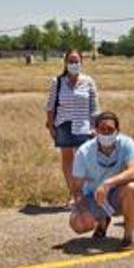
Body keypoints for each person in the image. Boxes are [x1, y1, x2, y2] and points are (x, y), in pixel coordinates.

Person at [69, 111, 134, 251]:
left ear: (118, 131)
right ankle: (101, 221)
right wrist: (82, 207)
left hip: (116, 195)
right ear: (95, 131)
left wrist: (108, 184)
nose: (106, 133)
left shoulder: (127, 143)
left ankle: (128, 237)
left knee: (132, 189)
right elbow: (76, 188)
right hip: (93, 197)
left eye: (110, 129)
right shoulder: (83, 152)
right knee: (79, 225)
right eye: (102, 129)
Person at [44, 49, 100, 204]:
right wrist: (51, 127)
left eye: (76, 61)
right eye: (71, 61)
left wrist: (95, 127)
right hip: (64, 124)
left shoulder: (88, 81)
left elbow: (94, 107)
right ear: (65, 63)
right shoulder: (58, 82)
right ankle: (74, 194)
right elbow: (50, 106)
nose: (74, 64)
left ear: (81, 62)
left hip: (84, 126)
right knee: (68, 161)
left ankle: (86, 192)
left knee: (84, 161)